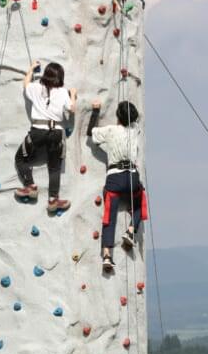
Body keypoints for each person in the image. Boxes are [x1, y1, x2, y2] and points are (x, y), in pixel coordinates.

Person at [87, 99, 148, 274]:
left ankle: (107, 256)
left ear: (117, 117)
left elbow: (91, 133)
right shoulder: (134, 131)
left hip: (114, 178)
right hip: (131, 177)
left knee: (109, 216)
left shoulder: (110, 130)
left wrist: (96, 111)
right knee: (139, 201)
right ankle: (130, 230)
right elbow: (135, 119)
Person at [14, 60, 77, 213]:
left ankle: (30, 185)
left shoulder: (36, 88)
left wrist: (30, 69)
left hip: (38, 130)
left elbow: (25, 84)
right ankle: (53, 200)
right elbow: (72, 109)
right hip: (56, 132)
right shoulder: (63, 92)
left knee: (20, 158)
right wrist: (73, 95)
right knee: (54, 167)